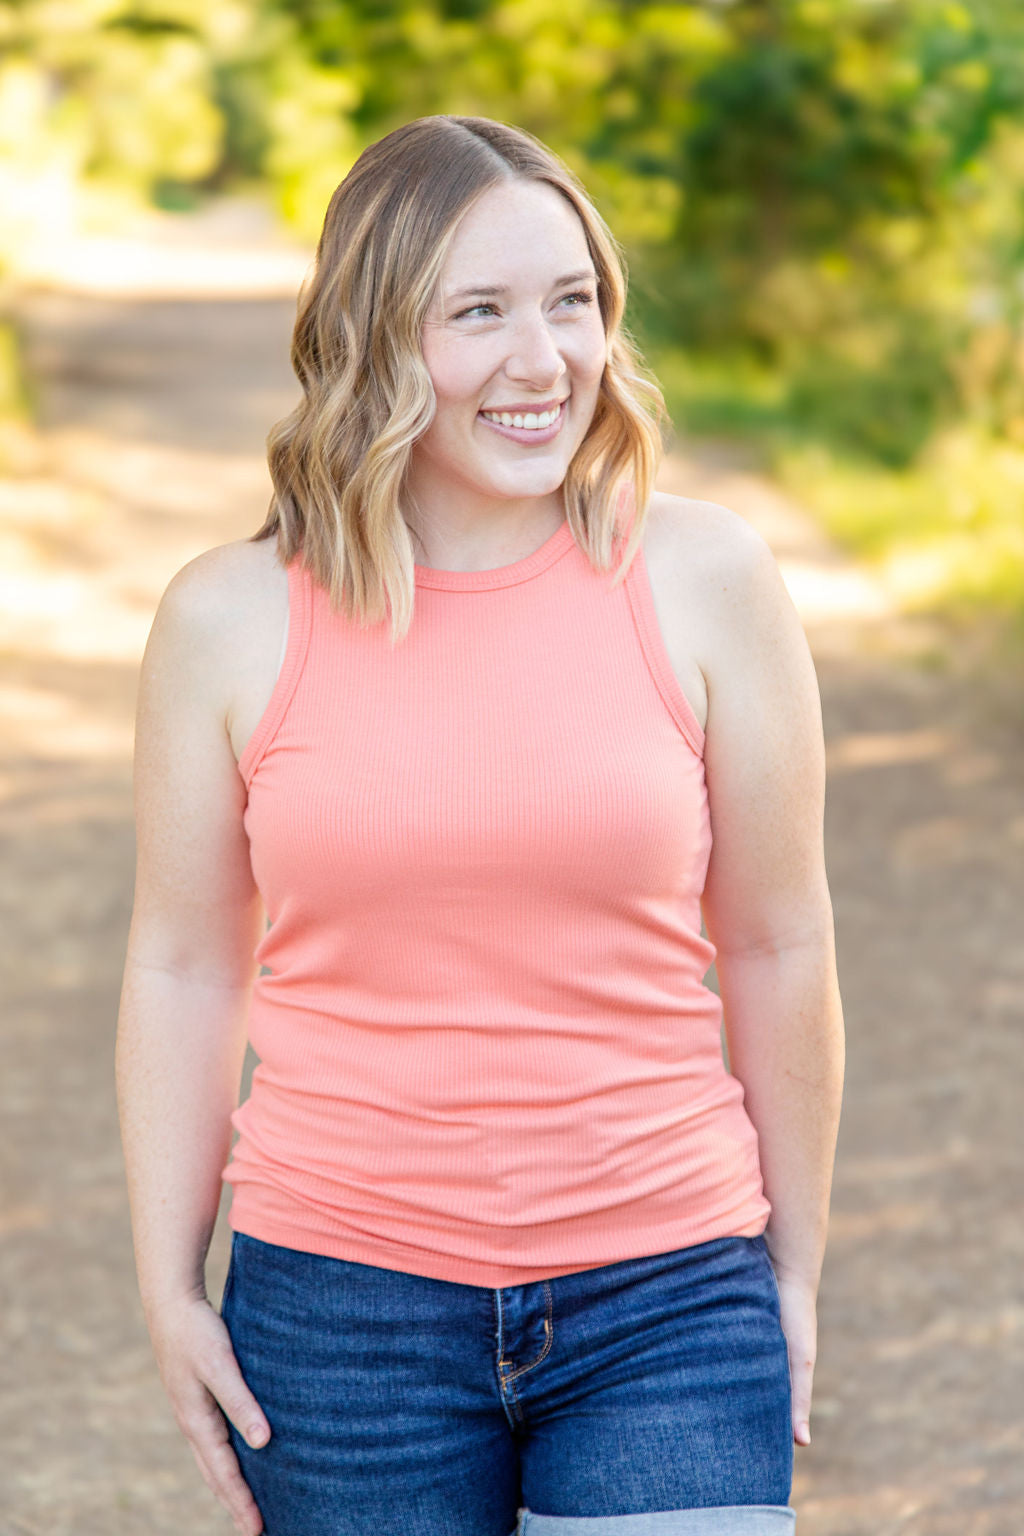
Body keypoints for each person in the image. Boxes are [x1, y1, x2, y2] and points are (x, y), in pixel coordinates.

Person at [115, 114, 845, 1536]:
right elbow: (186, 965)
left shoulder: (707, 579)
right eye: (480, 313)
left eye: (572, 302)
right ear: (373, 339)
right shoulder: (228, 619)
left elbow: (780, 938)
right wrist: (166, 1285)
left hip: (670, 1293)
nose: (544, 359)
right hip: (339, 1316)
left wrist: (794, 1266)